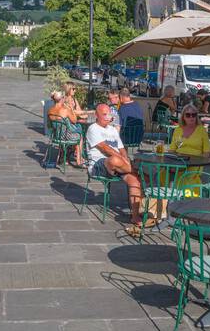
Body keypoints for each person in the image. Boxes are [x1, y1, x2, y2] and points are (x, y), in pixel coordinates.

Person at [86, 102, 146, 235]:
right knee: (114, 160)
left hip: (119, 166)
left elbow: (121, 148)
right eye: (104, 114)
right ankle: (136, 170)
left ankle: (135, 216)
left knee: (134, 181)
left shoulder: (112, 129)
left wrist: (124, 158)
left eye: (109, 114)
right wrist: (124, 160)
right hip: (99, 165)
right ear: (96, 115)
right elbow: (105, 148)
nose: (108, 117)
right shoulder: (93, 128)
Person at [168, 102, 210, 195]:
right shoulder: (178, 130)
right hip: (179, 161)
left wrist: (197, 161)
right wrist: (172, 162)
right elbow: (172, 149)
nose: (191, 117)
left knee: (187, 178)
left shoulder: (201, 130)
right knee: (162, 172)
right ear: (183, 117)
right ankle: (166, 199)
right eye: (188, 115)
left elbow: (207, 152)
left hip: (195, 162)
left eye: (193, 115)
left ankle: (189, 201)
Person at [47, 91, 85, 167]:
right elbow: (74, 120)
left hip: (56, 135)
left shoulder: (50, 110)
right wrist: (71, 109)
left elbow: (49, 126)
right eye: (63, 97)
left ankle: (63, 157)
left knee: (69, 131)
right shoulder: (65, 110)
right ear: (62, 99)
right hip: (65, 136)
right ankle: (79, 160)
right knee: (79, 136)